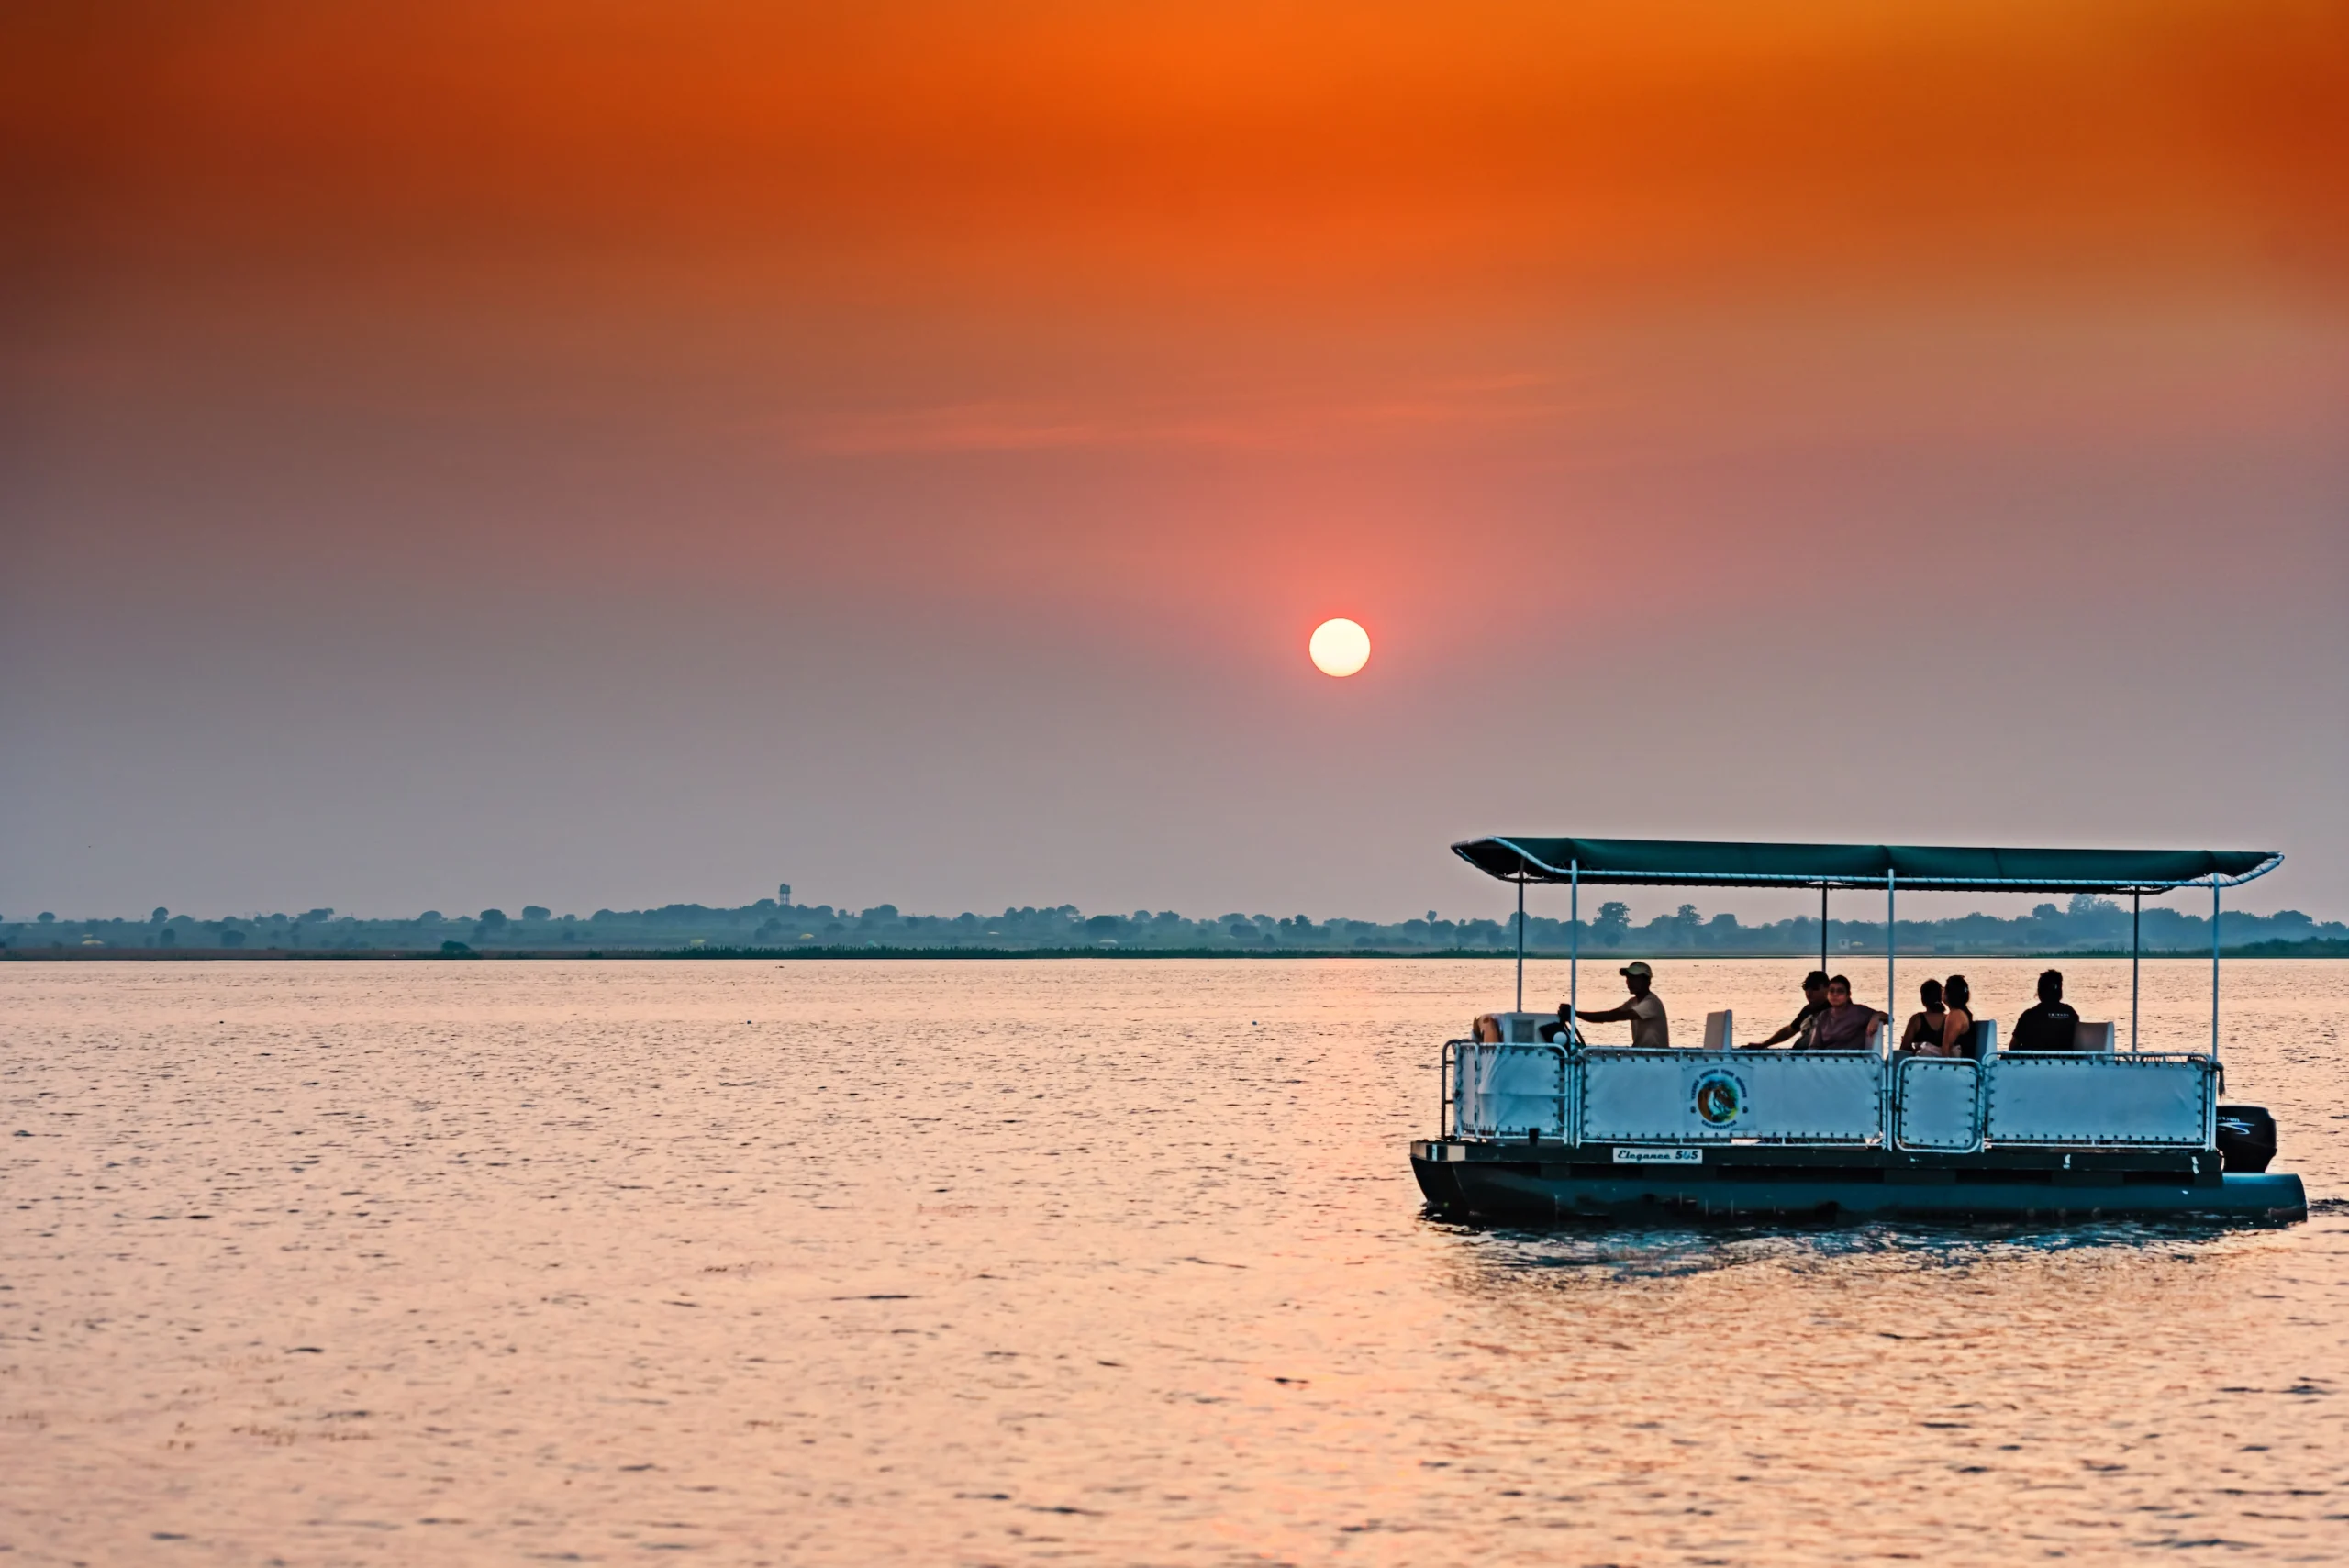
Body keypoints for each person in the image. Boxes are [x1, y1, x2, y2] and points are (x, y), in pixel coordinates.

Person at [1568, 960, 1670, 1050]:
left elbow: (1614, 1016)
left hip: (1655, 1057)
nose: (1629, 982)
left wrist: (1576, 1013)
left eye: (1634, 978)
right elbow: (1610, 1015)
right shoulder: (1632, 1002)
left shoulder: (1651, 1003)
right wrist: (1576, 1014)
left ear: (1647, 981)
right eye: (1628, 978)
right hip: (1641, 1054)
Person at [1746, 971, 1831, 1050]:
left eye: (1815, 988)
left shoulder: (1836, 1008)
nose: (1809, 993)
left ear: (1827, 988)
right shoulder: (1808, 1009)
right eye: (1806, 988)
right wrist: (1763, 1045)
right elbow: (1790, 1030)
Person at [1809, 974, 1889, 1051]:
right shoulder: (1823, 1016)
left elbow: (1889, 1018)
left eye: (1840, 991)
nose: (1835, 994)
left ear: (1848, 995)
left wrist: (1876, 1016)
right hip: (1827, 1061)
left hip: (1853, 1061)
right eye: (1831, 991)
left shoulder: (1859, 1011)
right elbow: (1814, 1046)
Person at [2009, 969, 2083, 1052]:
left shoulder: (2029, 1015)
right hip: (2067, 1062)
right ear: (2060, 991)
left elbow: (2012, 1047)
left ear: (2040, 991)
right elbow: (2078, 1044)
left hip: (2033, 1062)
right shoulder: (2071, 1013)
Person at [1915, 974, 1976, 1058]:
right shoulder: (1961, 1013)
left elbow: (1946, 1048)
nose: (1942, 991)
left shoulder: (1956, 1015)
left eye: (1944, 988)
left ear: (1948, 994)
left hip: (1956, 1066)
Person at [1898, 978, 1946, 1055]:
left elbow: (1904, 1048)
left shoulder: (1917, 1019)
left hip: (1921, 1065)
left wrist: (1914, 1048)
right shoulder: (1950, 1019)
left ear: (1923, 999)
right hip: (1946, 1066)